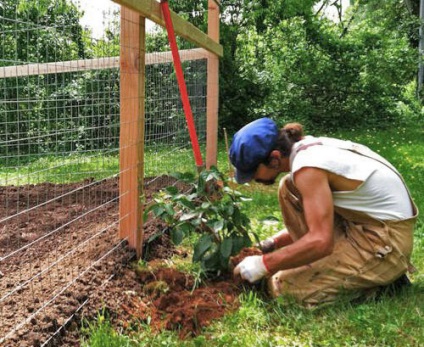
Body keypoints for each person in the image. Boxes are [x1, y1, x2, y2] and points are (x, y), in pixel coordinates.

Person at [230, 117, 418, 306]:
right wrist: (271, 244)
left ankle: (382, 283)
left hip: (386, 242)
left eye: (253, 171)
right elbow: (319, 220)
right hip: (362, 224)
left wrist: (264, 264)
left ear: (275, 158)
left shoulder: (308, 168)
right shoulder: (306, 150)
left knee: (282, 288)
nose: (252, 179)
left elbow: (321, 241)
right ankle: (327, 264)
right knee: (288, 187)